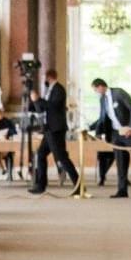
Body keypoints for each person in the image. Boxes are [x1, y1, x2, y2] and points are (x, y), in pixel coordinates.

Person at [89, 78, 131, 198]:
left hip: (130, 131)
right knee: (120, 161)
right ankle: (122, 189)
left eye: (95, 90)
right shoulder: (102, 99)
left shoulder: (119, 93)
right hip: (116, 133)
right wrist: (91, 129)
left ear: (101, 86)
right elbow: (103, 118)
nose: (96, 92)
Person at [29, 66, 81, 197]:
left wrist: (39, 100)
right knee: (41, 154)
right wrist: (35, 102)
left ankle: (78, 184)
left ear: (49, 77)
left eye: (44, 78)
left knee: (62, 157)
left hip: (56, 129)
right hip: (48, 129)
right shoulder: (49, 90)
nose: (43, 80)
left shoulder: (59, 89)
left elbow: (53, 107)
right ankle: (41, 185)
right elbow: (42, 107)